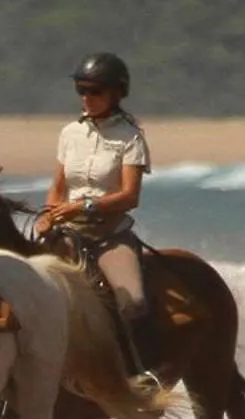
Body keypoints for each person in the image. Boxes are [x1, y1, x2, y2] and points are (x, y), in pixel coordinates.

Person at [34, 52, 160, 387]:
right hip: (66, 231)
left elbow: (130, 197)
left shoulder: (131, 137)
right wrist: (49, 214)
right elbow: (58, 186)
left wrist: (82, 207)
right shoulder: (69, 133)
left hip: (109, 236)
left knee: (131, 300)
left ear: (116, 93)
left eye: (94, 91)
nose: (86, 98)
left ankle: (137, 374)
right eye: (81, 91)